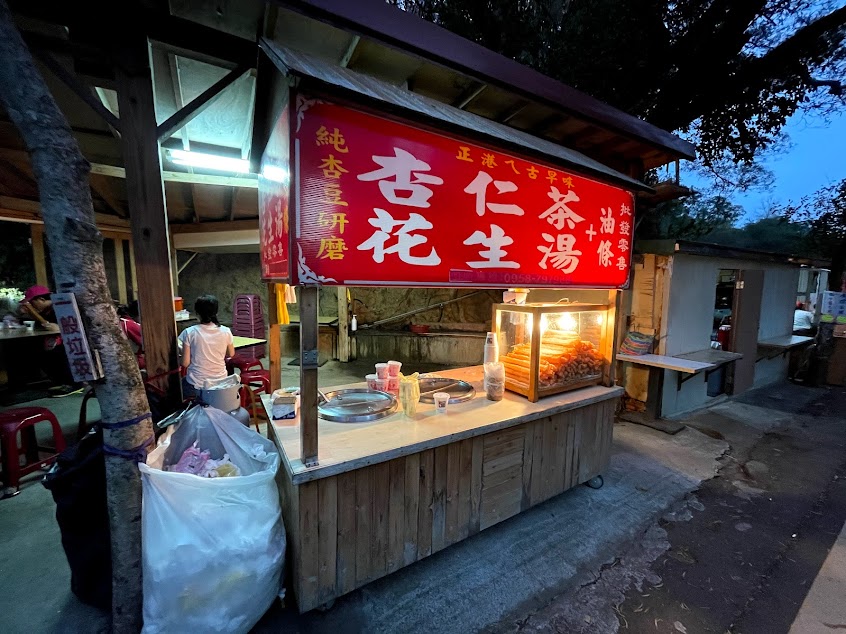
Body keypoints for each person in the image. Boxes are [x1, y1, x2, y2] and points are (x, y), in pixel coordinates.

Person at [18, 285, 82, 397]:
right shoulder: (45, 311)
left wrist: (33, 313)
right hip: (54, 342)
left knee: (55, 352)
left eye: (32, 303)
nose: (32, 306)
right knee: (33, 350)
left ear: (41, 300)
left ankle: (73, 384)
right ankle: (60, 381)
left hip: (71, 343)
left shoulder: (58, 307)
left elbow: (55, 328)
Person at [178, 294, 234, 400]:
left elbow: (185, 363)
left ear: (197, 313)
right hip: (220, 383)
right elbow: (231, 353)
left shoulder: (190, 332)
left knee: (178, 386)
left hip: (197, 385)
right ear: (216, 312)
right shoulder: (226, 331)